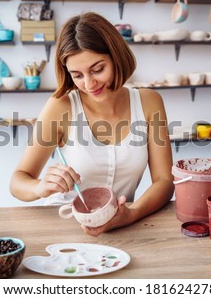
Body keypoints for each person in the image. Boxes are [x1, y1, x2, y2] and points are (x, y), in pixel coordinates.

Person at [10, 12, 174, 237]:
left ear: (117, 57)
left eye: (98, 69)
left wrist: (131, 214)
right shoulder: (61, 106)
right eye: (77, 75)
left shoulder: (149, 102)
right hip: (61, 225)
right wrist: (39, 187)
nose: (89, 84)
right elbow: (18, 180)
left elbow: (165, 181)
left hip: (122, 229)